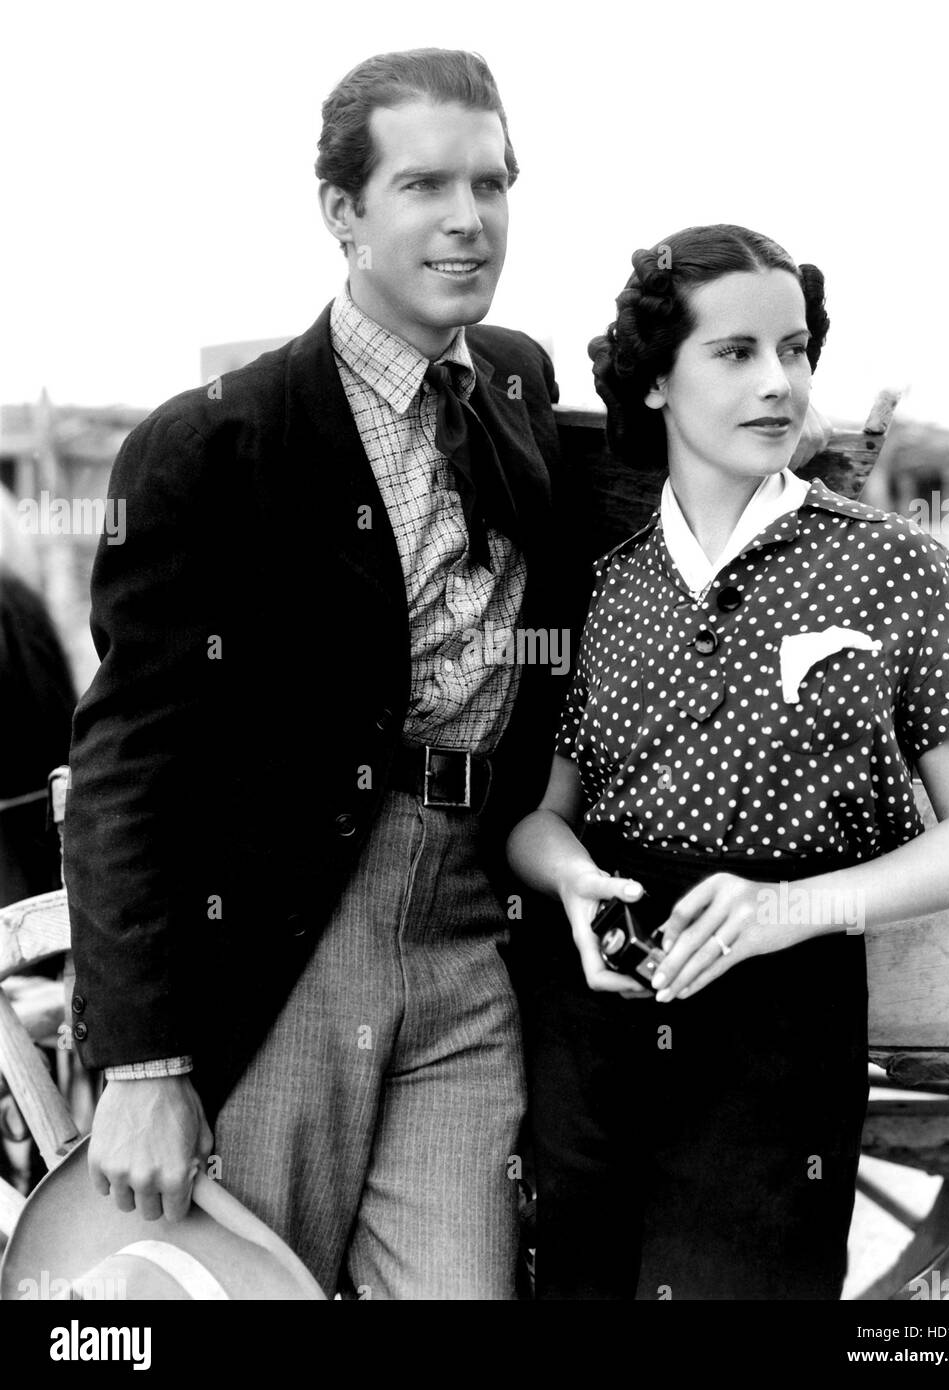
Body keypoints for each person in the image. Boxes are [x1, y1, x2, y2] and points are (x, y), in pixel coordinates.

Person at [62, 48, 583, 1300]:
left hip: (470, 933)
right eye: (424, 186)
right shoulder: (210, 446)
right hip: (289, 936)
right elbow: (128, 762)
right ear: (342, 211)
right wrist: (141, 1067)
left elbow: (628, 472)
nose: (470, 219)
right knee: (248, 1298)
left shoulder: (516, 378)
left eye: (493, 183)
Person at [506, 223, 949, 1300]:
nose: (779, 383)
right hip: (596, 1011)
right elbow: (538, 819)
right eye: (735, 353)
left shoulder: (888, 564)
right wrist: (569, 879)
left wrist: (787, 911)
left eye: (794, 350)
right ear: (655, 381)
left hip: (782, 1030)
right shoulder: (606, 585)